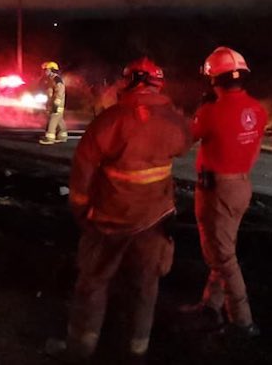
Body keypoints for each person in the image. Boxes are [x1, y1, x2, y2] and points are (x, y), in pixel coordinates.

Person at [55, 57, 191, 363]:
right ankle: (136, 350)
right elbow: (184, 144)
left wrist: (80, 207)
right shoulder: (173, 120)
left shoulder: (109, 120)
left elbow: (83, 167)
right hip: (153, 221)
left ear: (127, 82)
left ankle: (81, 349)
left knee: (93, 285)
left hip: (107, 221)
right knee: (145, 288)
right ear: (158, 84)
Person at [181, 47, 266, 338]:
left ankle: (242, 322)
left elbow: (183, 142)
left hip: (216, 189)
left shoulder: (211, 112)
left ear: (213, 79)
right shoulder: (258, 109)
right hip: (241, 185)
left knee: (222, 257)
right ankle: (211, 305)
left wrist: (197, 114)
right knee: (224, 249)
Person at [39, 61, 67, 145]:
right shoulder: (51, 79)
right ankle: (62, 135)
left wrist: (56, 102)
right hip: (54, 102)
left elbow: (60, 90)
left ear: (52, 70)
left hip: (57, 102)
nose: (45, 72)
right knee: (58, 118)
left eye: (46, 70)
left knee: (53, 118)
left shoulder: (56, 79)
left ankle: (49, 138)